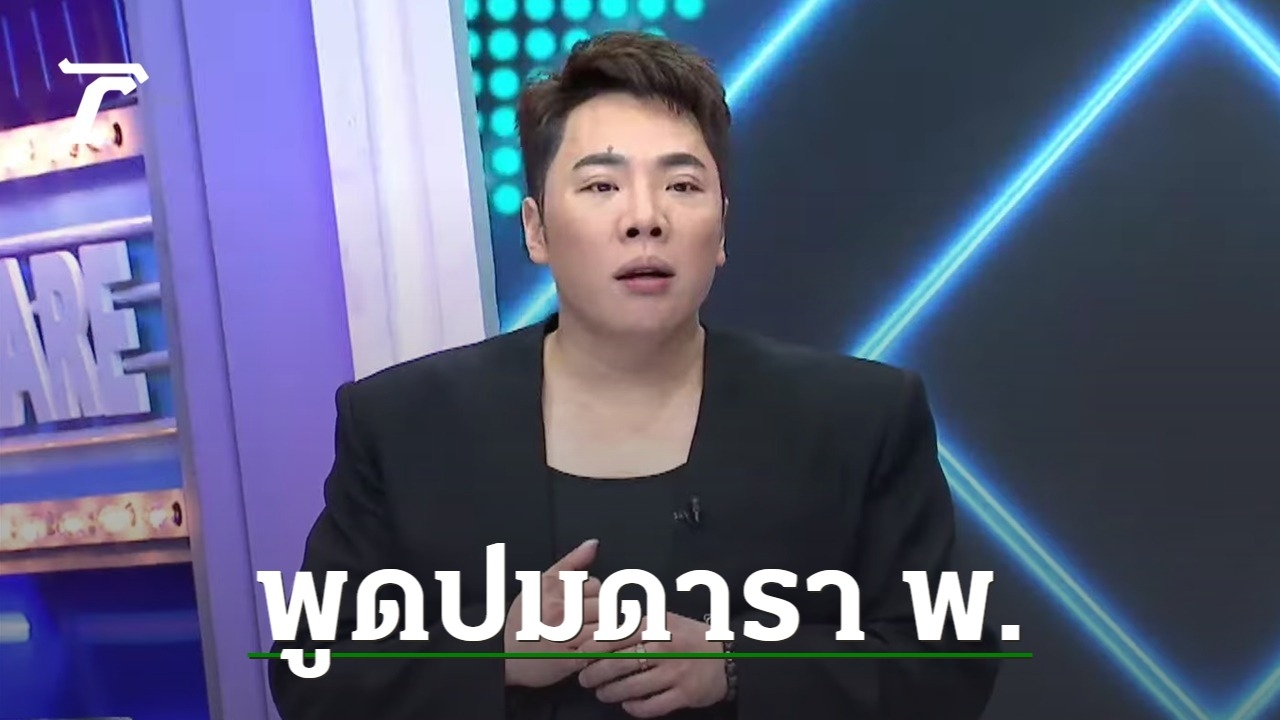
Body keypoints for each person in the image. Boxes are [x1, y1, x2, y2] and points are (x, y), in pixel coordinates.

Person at [269, 30, 1001, 720]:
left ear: (722, 226)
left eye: (681, 185)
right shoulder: (403, 425)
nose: (644, 219)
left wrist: (737, 664)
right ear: (536, 229)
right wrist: (495, 656)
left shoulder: (861, 419)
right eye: (601, 187)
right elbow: (310, 670)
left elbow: (950, 662)